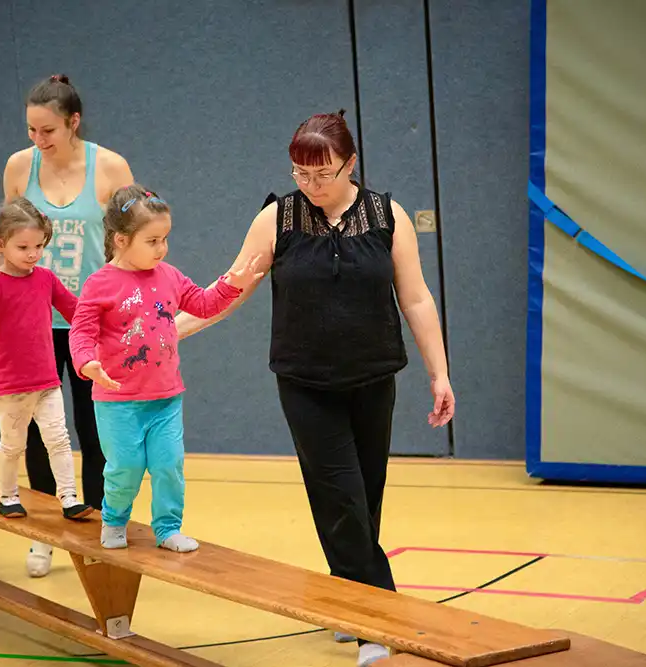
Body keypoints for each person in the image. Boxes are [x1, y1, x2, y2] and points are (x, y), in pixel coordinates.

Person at [174, 111, 454, 667]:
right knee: (340, 496)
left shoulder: (386, 216)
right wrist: (166, 334)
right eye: (301, 172)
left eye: (323, 173)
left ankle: (343, 597)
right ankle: (378, 619)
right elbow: (230, 289)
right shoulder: (277, 219)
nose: (311, 183)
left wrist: (439, 373)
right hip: (305, 384)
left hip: (374, 379)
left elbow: (417, 298)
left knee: (363, 500)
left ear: (351, 165)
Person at [0, 75, 133, 574]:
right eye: (31, 129)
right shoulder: (18, 167)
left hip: (87, 321)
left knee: (94, 431)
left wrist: (133, 309)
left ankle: (97, 527)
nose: (38, 140)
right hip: (28, 326)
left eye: (48, 130)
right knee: (34, 433)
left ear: (74, 123)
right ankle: (43, 533)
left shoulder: (110, 167)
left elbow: (133, 243)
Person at [69, 184, 262, 551]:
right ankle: (113, 520)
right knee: (124, 468)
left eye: (165, 239)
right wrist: (87, 362)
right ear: (122, 240)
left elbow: (203, 304)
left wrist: (230, 284)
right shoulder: (99, 284)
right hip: (118, 402)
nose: (162, 248)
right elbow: (81, 332)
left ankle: (168, 528)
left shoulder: (169, 276)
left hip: (165, 399)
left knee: (168, 466)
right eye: (152, 240)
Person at [0, 198, 93, 521]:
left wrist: (106, 326)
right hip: (11, 385)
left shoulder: (45, 279)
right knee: (14, 445)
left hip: (46, 381)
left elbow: (75, 310)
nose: (33, 254)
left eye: (39, 246)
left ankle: (69, 497)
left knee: (59, 439)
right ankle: (8, 496)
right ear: (0, 244)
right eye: (23, 247)